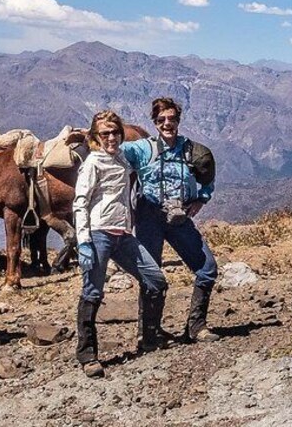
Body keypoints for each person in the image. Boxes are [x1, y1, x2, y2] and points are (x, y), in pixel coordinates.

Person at [73, 110, 169, 378]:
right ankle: (87, 354)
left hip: (123, 234)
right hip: (99, 233)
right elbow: (80, 202)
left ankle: (148, 336)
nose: (112, 137)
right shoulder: (92, 164)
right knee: (92, 291)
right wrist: (83, 242)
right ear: (96, 137)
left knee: (155, 280)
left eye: (115, 132)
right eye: (105, 134)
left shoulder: (124, 158)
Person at [121, 97, 220, 342]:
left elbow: (207, 177)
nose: (167, 124)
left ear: (178, 120)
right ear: (154, 122)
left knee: (207, 268)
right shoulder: (142, 149)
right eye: (161, 119)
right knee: (151, 275)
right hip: (148, 217)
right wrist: (92, 135)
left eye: (172, 119)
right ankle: (149, 335)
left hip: (179, 218)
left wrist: (201, 199)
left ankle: (196, 328)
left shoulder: (192, 151)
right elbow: (112, 150)